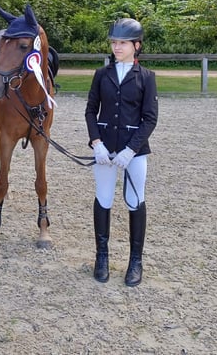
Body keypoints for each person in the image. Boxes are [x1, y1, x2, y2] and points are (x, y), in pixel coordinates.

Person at [85, 18, 158, 287]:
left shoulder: (147, 78)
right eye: (114, 42)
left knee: (134, 201)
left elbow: (150, 119)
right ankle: (101, 257)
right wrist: (96, 142)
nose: (117, 47)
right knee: (103, 198)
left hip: (133, 152)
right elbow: (91, 110)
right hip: (104, 149)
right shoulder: (101, 75)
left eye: (123, 43)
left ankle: (135, 261)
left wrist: (130, 150)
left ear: (136, 46)